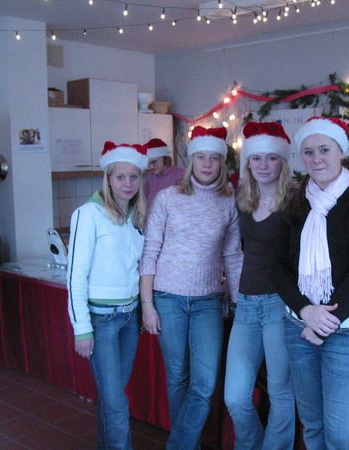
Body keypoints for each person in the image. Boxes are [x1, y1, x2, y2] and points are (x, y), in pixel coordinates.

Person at [273, 117, 349, 450]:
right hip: (300, 327)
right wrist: (305, 310)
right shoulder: (297, 202)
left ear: (341, 151)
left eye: (324, 150)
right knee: (313, 427)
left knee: (339, 435)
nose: (316, 159)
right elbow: (278, 267)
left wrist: (327, 321)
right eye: (308, 152)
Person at [139, 126, 243, 449]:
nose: (207, 164)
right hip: (167, 298)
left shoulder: (228, 202)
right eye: (201, 157)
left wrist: (238, 301)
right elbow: (150, 251)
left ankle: (178, 445)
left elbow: (232, 255)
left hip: (208, 302)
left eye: (214, 158)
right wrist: (147, 304)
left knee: (205, 383)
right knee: (177, 377)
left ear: (222, 162)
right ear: (191, 161)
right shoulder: (168, 198)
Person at [67, 141, 148, 450]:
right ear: (108, 179)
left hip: (129, 319)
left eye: (133, 177)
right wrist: (82, 328)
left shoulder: (136, 216)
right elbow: (75, 276)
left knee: (112, 398)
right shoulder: (88, 214)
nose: (128, 184)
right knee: (116, 403)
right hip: (101, 322)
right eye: (120, 177)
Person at [224, 121, 296, 450]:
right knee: (235, 396)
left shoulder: (295, 202)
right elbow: (233, 249)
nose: (263, 165)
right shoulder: (242, 200)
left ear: (283, 161)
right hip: (246, 305)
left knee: (281, 392)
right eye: (256, 158)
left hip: (280, 304)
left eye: (272, 158)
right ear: (248, 163)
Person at [143, 138, 185, 206]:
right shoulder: (149, 176)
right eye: (149, 163)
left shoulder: (181, 174)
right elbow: (144, 203)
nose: (151, 166)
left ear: (164, 158)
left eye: (154, 161)